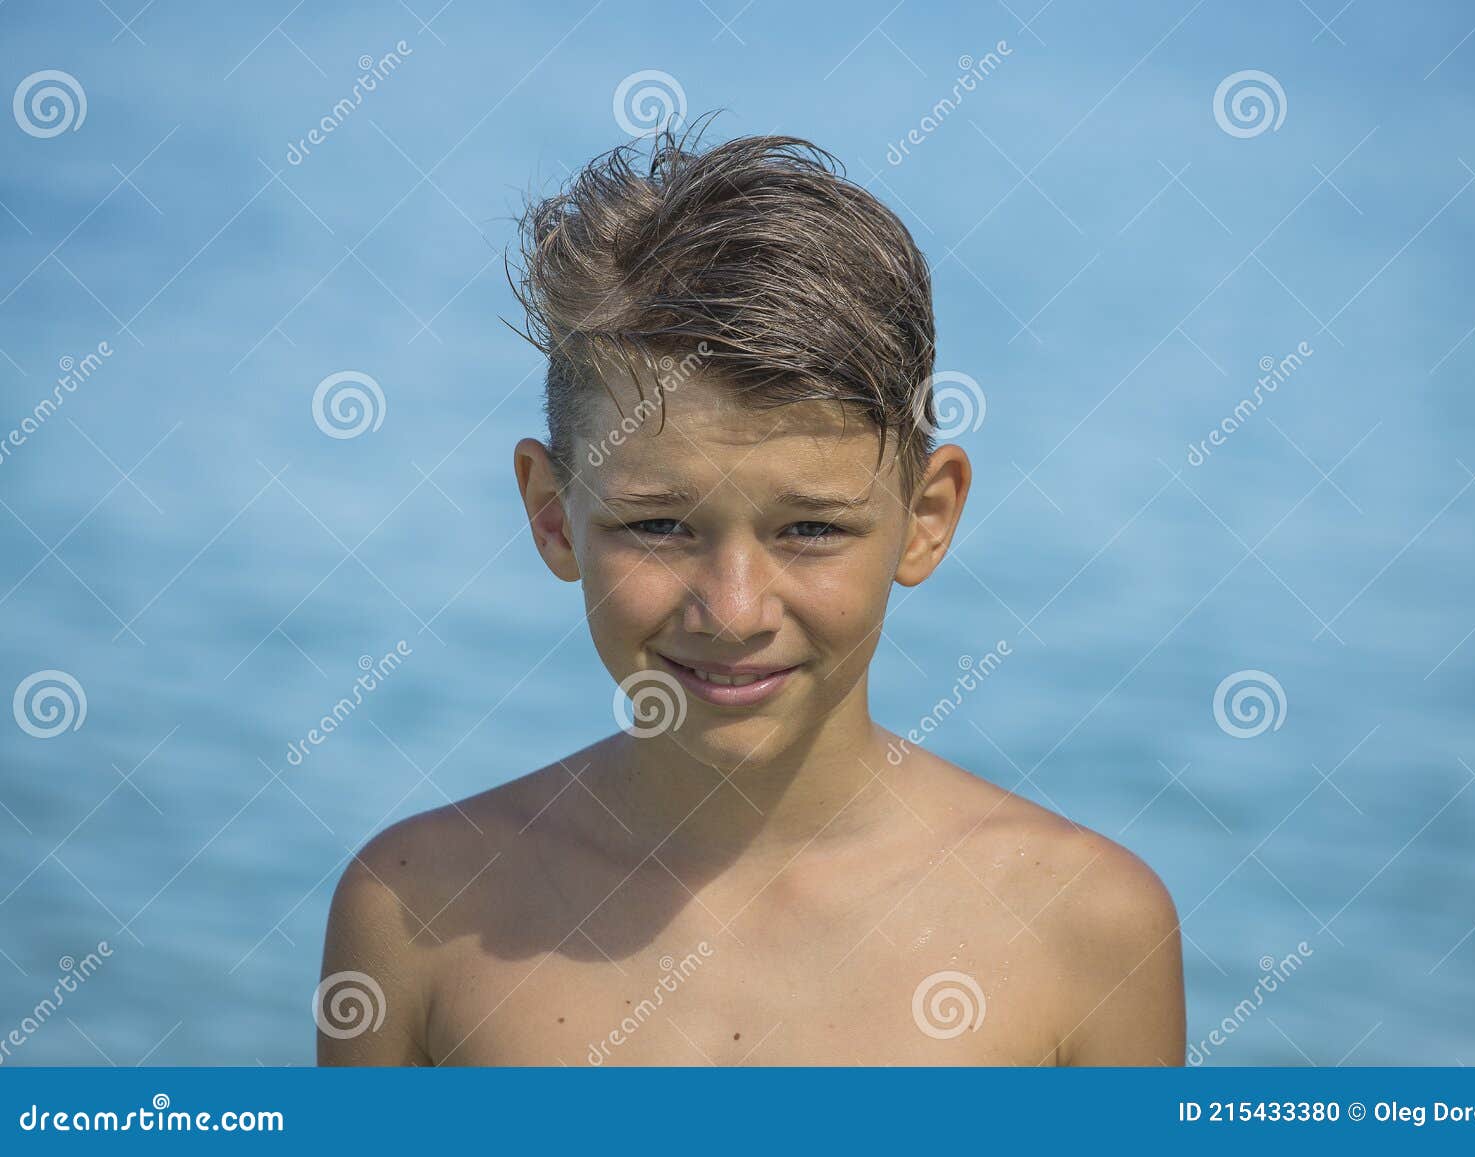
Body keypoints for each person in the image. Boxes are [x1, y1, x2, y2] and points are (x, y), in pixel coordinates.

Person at [317, 114, 1184, 1066]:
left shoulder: (1087, 929)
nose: (732, 611)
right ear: (553, 514)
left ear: (926, 517)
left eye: (810, 529)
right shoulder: (417, 912)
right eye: (658, 526)